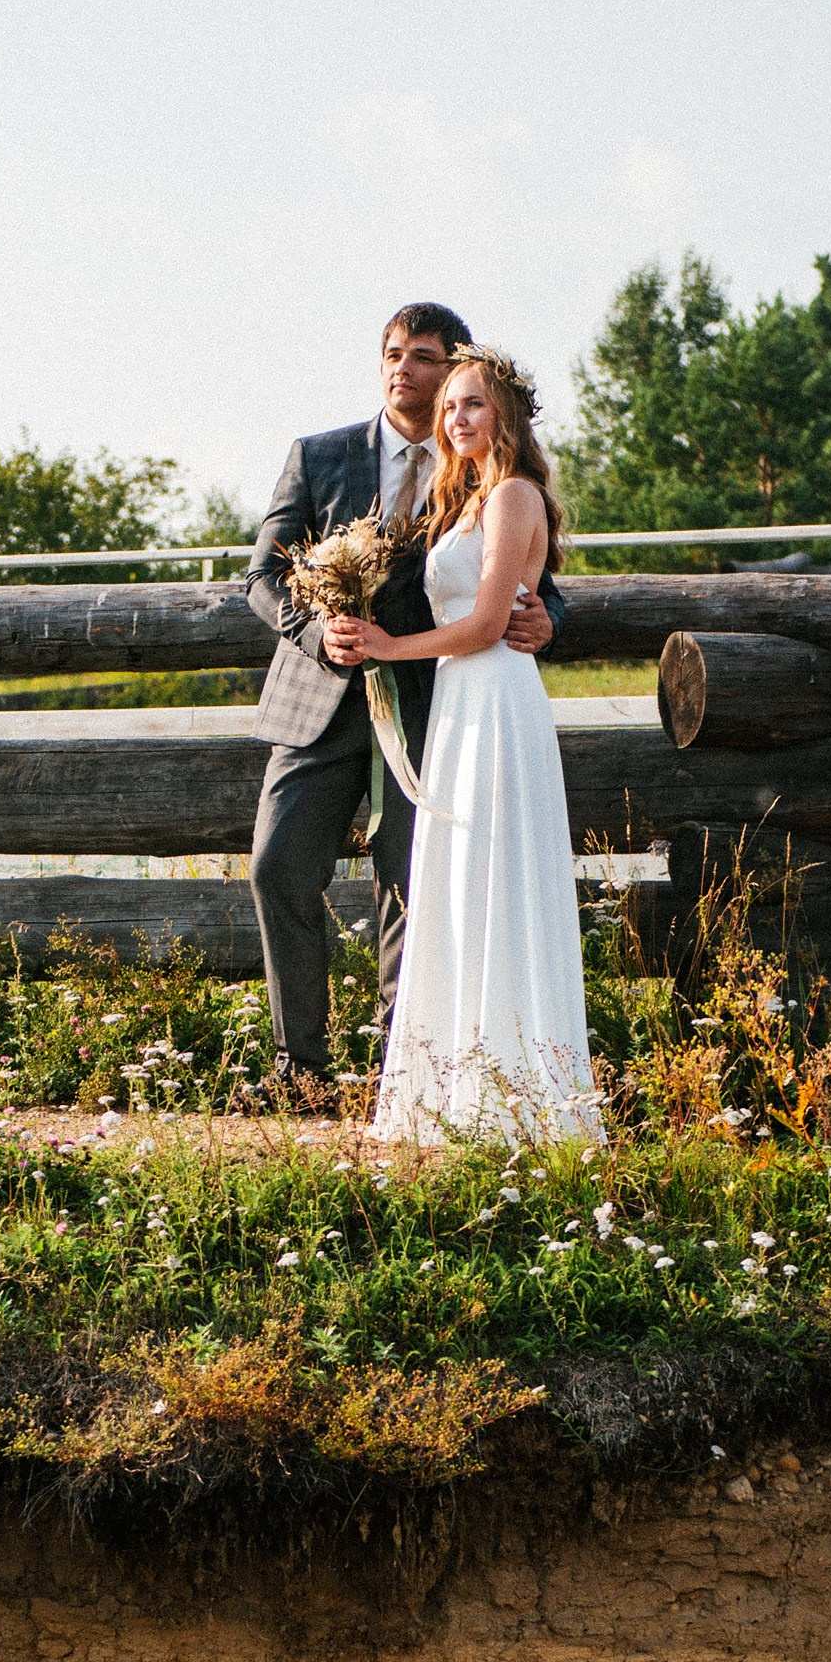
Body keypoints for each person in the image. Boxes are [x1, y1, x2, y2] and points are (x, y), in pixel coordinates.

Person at [246, 302, 561, 1091]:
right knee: (276, 867)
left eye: (423, 357)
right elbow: (261, 574)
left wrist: (541, 621)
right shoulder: (316, 456)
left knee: (414, 886)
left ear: (456, 371)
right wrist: (320, 632)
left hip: (434, 706)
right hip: (317, 699)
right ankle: (299, 1070)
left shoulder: (475, 474)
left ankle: (403, 1076)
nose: (402, 369)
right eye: (391, 352)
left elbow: (535, 579)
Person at [326, 346, 598, 1144]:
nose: (455, 418)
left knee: (497, 878)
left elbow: (484, 626)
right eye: (450, 407)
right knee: (456, 882)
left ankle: (516, 1092)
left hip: (495, 699)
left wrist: (382, 646)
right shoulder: (462, 501)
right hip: (456, 706)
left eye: (472, 404)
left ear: (505, 414)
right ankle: (453, 1086)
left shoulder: (514, 496)